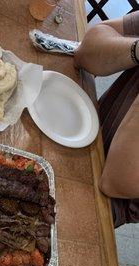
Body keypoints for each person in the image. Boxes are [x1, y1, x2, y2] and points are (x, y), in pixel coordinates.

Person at [74, 11, 139, 228]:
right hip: (80, 131)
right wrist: (137, 49)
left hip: (102, 204)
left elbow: (114, 182)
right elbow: (86, 52)